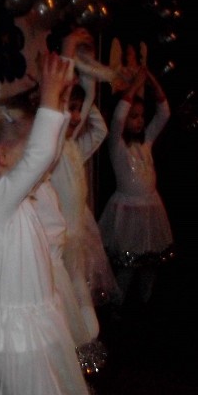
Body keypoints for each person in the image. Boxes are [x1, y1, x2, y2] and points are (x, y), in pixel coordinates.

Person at [0, 53, 99, 395]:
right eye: (27, 146)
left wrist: (59, 103)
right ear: (1, 155)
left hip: (39, 319)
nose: (39, 157)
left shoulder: (8, 194)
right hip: (17, 334)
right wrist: (49, 97)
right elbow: (41, 156)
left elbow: (45, 160)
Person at [98, 67, 174, 309]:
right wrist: (133, 87)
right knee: (127, 265)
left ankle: (145, 302)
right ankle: (118, 305)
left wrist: (151, 79)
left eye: (141, 116)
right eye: (134, 116)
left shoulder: (147, 142)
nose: (140, 121)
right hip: (127, 210)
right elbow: (118, 117)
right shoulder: (116, 144)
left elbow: (164, 113)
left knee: (149, 264)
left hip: (151, 209)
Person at [51, 84, 120, 315]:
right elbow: (56, 128)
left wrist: (88, 92)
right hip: (59, 242)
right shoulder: (53, 150)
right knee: (64, 301)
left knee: (79, 296)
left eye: (80, 110)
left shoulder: (74, 148)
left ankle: (84, 338)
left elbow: (100, 130)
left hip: (77, 236)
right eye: (72, 108)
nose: (78, 116)